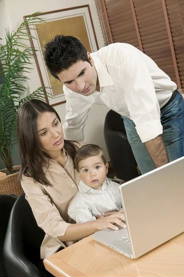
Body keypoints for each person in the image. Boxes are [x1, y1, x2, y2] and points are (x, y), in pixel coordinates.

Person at [44, 35, 184, 174]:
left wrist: (167, 176)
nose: (80, 86)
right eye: (69, 82)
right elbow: (73, 126)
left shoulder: (122, 58)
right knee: (148, 176)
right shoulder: (72, 90)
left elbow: (147, 122)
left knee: (176, 174)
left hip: (169, 108)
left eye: (82, 73)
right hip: (131, 118)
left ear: (90, 59)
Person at [17, 99, 124, 259]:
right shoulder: (30, 177)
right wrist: (95, 224)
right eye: (43, 133)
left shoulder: (77, 148)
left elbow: (105, 185)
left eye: (55, 123)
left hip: (106, 226)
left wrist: (120, 209)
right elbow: (55, 228)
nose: (56, 134)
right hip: (67, 244)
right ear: (31, 138)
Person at [68, 144, 123, 223]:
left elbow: (131, 205)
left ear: (106, 168)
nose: (92, 174)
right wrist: (98, 220)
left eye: (97, 167)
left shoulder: (117, 187)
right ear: (79, 174)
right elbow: (87, 226)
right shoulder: (79, 203)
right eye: (86, 170)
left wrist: (121, 213)